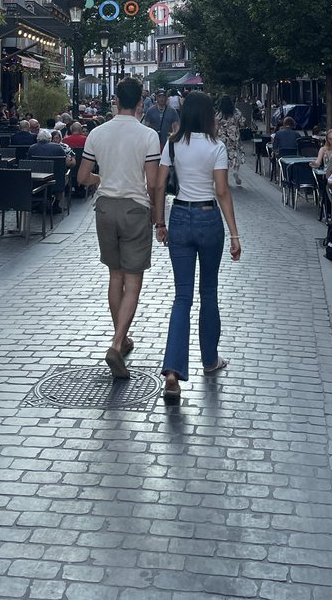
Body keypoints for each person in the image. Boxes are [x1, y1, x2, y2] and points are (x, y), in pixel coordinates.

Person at [152, 91, 241, 403]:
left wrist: (159, 222)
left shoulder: (173, 144)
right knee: (209, 293)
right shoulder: (216, 147)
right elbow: (222, 191)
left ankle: (173, 372)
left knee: (182, 297)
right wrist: (234, 235)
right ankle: (209, 360)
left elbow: (160, 185)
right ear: (208, 115)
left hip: (179, 216)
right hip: (208, 218)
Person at [77, 77, 161, 380]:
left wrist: (102, 180)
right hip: (134, 207)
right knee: (133, 280)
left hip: (105, 208)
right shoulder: (148, 135)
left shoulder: (97, 133)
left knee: (115, 276)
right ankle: (116, 342)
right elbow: (152, 183)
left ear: (114, 99)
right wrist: (156, 214)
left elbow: (83, 177)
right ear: (140, 102)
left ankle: (122, 339)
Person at [215, 95, 244, 186]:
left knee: (224, 157)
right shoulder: (237, 112)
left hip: (222, 137)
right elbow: (242, 123)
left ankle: (225, 178)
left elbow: (216, 124)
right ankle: (235, 171)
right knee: (235, 155)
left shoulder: (219, 113)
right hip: (234, 136)